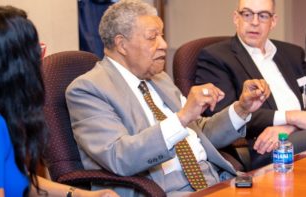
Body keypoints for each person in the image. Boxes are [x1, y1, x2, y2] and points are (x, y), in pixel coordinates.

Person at [65, 0, 270, 196]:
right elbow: (120, 157)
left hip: (215, 181)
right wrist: (181, 118)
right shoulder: (88, 89)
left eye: (161, 36)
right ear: (122, 44)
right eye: (152, 37)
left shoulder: (159, 78)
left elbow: (200, 133)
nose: (163, 44)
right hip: (159, 190)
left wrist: (242, 109)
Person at [0, 5, 118, 197]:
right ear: (10, 65)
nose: (40, 60)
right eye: (35, 52)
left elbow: (19, 181)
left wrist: (83, 195)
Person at [194, 0, 306, 168]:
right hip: (261, 146)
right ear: (236, 18)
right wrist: (291, 117)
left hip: (300, 135)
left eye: (263, 15)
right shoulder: (216, 57)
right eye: (247, 14)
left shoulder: (292, 53)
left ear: (273, 21)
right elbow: (225, 117)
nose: (255, 22)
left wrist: (289, 127)